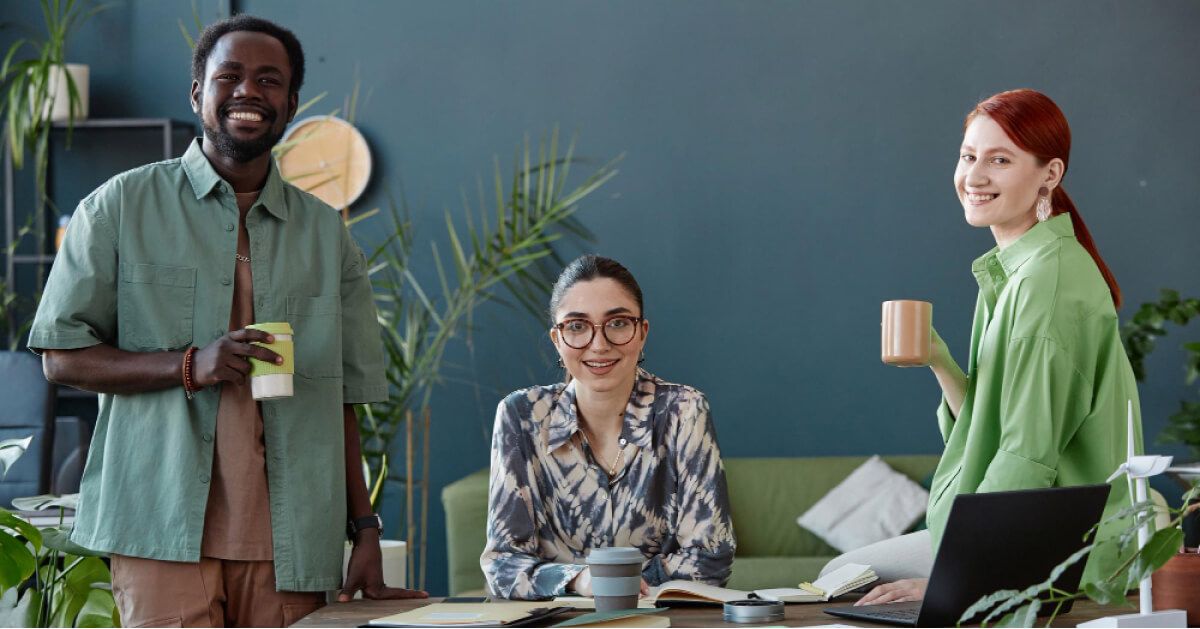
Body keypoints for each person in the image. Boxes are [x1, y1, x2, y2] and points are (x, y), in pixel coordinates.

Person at [28, 15, 425, 627]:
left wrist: (365, 529)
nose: (248, 92)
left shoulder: (326, 234)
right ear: (197, 92)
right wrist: (188, 365)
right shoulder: (119, 207)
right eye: (230, 75)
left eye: (269, 80)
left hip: (290, 541)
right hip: (159, 529)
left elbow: (340, 399)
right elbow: (62, 356)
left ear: (290, 104)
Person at [827, 89, 1143, 606]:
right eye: (969, 156)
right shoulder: (1013, 271)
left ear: (1050, 174)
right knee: (848, 574)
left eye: (1000, 160)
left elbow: (1027, 453)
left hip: (1067, 549)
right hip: (1037, 531)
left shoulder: (1048, 282)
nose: (974, 177)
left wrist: (963, 581)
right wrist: (939, 361)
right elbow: (988, 425)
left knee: (851, 577)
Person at [481, 255, 736, 600]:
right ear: (557, 339)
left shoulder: (683, 411)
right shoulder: (521, 416)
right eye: (577, 326)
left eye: (617, 323)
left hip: (663, 620)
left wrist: (615, 584)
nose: (599, 345)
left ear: (642, 333)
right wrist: (580, 580)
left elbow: (710, 559)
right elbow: (503, 564)